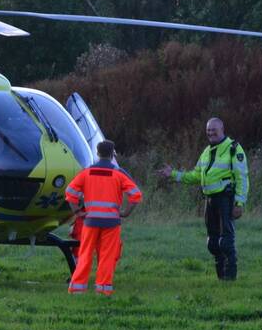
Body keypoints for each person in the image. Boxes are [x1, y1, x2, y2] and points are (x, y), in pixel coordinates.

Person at [158, 117, 248, 280]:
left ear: (222, 129)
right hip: (210, 200)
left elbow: (242, 177)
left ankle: (230, 279)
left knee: (226, 242)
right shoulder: (206, 152)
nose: (210, 133)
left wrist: (239, 203)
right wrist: (173, 174)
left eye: (214, 130)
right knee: (212, 243)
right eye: (208, 130)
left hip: (226, 199)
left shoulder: (234, 149)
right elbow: (196, 175)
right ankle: (221, 278)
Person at [65, 140, 142, 295]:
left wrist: (78, 212)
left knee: (85, 254)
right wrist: (126, 212)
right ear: (112, 153)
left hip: (90, 221)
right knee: (107, 256)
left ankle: (77, 288)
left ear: (98, 153)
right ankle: (103, 289)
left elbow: (70, 192)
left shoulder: (86, 172)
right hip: (112, 223)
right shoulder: (118, 174)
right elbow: (135, 195)